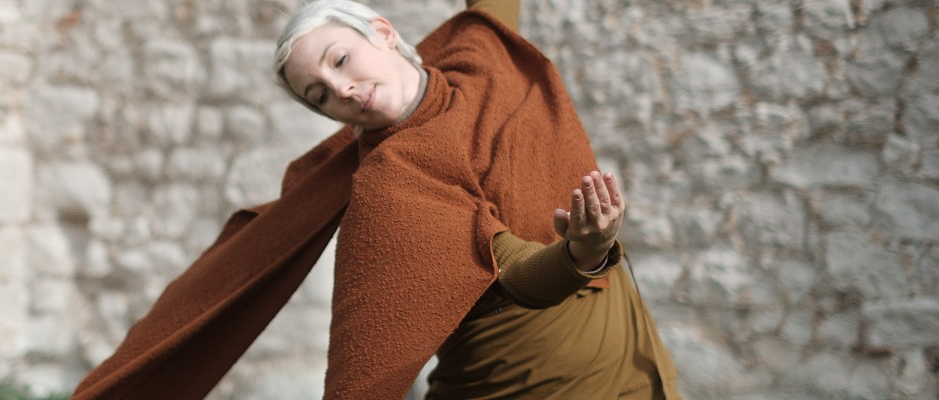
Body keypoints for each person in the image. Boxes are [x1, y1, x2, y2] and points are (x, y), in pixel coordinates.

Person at [73, 1, 680, 399]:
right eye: (320, 95)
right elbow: (519, 273)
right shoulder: (394, 179)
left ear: (384, 34)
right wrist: (582, 251)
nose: (342, 89)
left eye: (341, 60)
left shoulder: (479, 54)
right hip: (536, 385)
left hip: (635, 359)